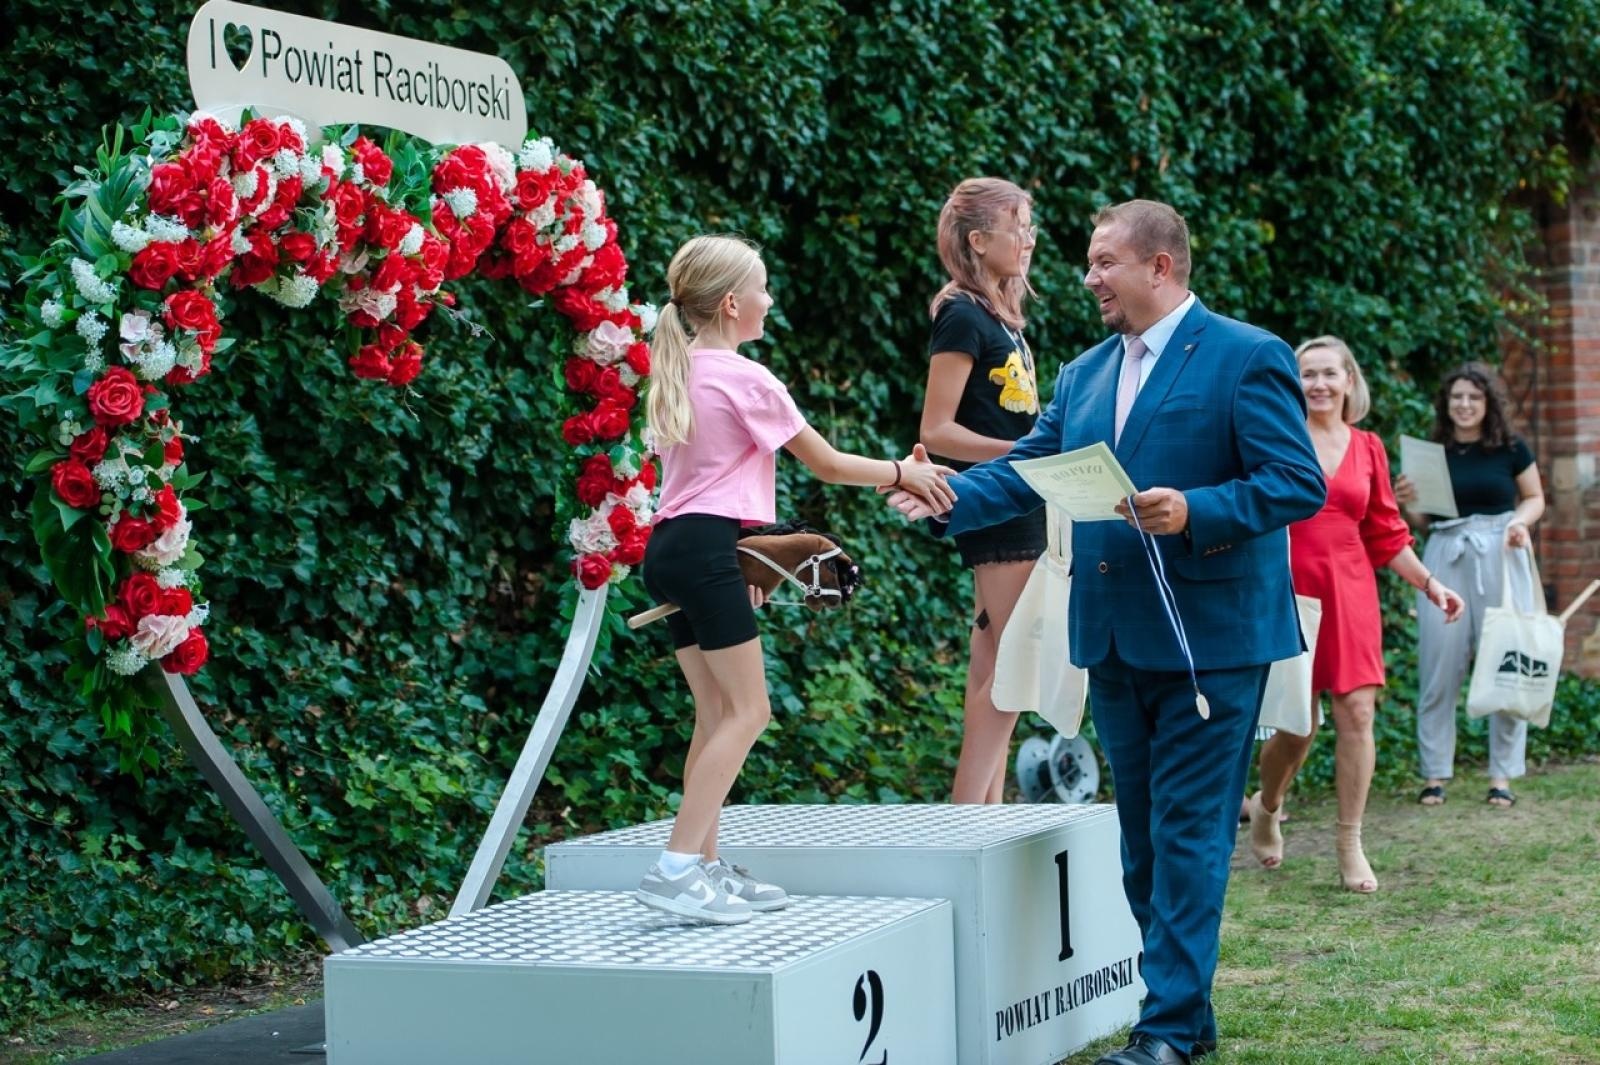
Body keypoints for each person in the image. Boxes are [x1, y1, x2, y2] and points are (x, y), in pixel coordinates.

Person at [891, 200, 1325, 1065]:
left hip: (1214, 641)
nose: (1086, 278)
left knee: (1191, 835)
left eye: (1102, 262)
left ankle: (1163, 1031)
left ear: (1160, 267)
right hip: (1114, 639)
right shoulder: (1084, 372)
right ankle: (1186, 1017)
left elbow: (1294, 481)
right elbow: (1027, 472)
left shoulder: (1247, 355)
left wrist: (1196, 507)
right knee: (1141, 847)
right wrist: (941, 497)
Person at [637, 235, 955, 924]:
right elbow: (829, 463)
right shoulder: (748, 377)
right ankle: (674, 867)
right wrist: (909, 472)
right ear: (731, 303)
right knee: (750, 712)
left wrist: (741, 553)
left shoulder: (680, 367)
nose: (770, 299)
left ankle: (705, 868)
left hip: (673, 547)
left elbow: (702, 482)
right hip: (705, 548)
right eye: (762, 288)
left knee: (716, 714)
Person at [1246, 337, 1464, 894]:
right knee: (1298, 727)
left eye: (1328, 373)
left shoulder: (1368, 447)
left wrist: (1431, 583)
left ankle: (1349, 841)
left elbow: (1387, 534)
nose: (1318, 384)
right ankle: (1267, 805)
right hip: (1289, 590)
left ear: (1349, 381)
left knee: (1357, 716)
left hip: (1351, 591)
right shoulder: (1277, 437)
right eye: (1307, 374)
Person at [918, 177, 1046, 803]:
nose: (1029, 237)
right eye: (1017, 225)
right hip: (1001, 503)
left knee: (995, 661)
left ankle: (985, 815)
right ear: (978, 239)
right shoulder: (962, 313)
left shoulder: (1004, 316)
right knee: (1007, 667)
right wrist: (1028, 454)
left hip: (1020, 500)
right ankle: (969, 820)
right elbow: (936, 429)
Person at [1394, 361, 1545, 808]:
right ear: (1447, 403)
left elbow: (1535, 497)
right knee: (1439, 664)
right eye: (1457, 397)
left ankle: (1501, 775)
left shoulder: (1510, 447)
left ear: (1487, 403)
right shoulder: (1431, 452)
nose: (1464, 405)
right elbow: (1425, 523)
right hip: (1446, 553)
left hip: (1501, 551)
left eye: (1473, 397)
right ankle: (1435, 773)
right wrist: (1406, 505)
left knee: (1504, 660)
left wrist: (1519, 523)